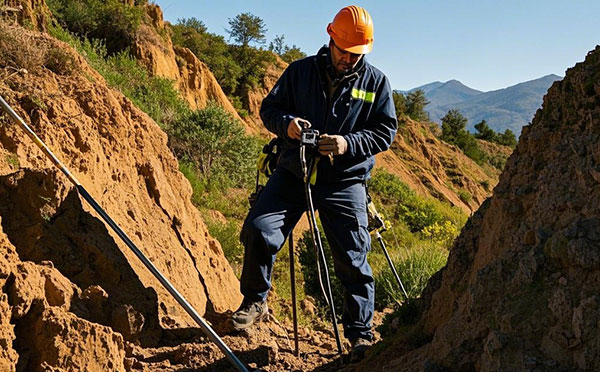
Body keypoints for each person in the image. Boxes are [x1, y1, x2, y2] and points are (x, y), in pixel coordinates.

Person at [232, 5, 397, 362]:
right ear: (331, 38)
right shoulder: (299, 72)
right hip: (294, 171)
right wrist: (288, 124)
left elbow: (386, 131)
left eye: (356, 54)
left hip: (344, 181)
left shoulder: (375, 83)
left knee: (353, 257)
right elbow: (269, 110)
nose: (348, 59)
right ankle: (255, 300)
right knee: (260, 230)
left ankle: (360, 335)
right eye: (344, 51)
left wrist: (348, 144)